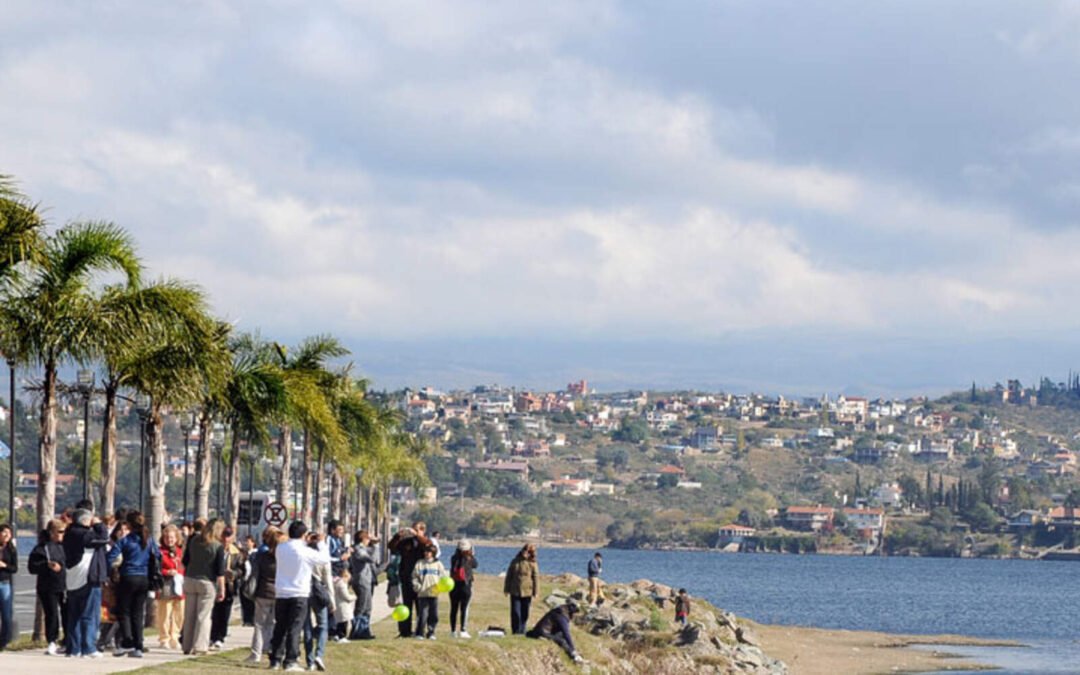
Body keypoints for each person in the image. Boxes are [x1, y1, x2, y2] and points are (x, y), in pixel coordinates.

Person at [269, 521, 330, 672]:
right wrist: (321, 543)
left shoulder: (281, 548)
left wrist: (305, 542)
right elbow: (324, 559)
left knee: (280, 627)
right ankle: (290, 660)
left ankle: (275, 660)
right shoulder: (305, 551)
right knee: (295, 628)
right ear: (304, 535)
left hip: (282, 592)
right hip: (299, 593)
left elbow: (294, 548)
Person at [106, 510, 161, 658]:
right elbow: (158, 555)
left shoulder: (126, 541)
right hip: (143, 579)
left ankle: (127, 642)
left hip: (128, 577)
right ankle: (138, 645)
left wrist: (111, 569)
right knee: (137, 613)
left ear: (129, 525)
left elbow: (110, 557)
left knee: (124, 612)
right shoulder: (148, 540)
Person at [63, 506, 110, 658]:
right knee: (90, 614)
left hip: (72, 578)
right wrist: (98, 525)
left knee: (74, 615)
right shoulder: (84, 534)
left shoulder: (69, 533)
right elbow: (103, 538)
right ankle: (88, 647)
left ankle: (74, 648)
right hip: (87, 577)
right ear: (84, 520)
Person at [180, 519, 226, 655]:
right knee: (203, 616)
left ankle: (186, 645)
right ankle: (199, 646)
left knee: (189, 615)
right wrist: (222, 589)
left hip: (190, 579)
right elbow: (220, 572)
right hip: (207, 582)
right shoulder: (218, 546)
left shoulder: (193, 540)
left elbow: (185, 561)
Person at [247, 527, 285, 664]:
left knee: (259, 624)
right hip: (279, 593)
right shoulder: (284, 559)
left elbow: (255, 574)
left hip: (263, 592)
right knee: (274, 624)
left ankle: (256, 653)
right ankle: (270, 648)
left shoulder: (262, 557)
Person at [29, 519, 67, 655]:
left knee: (67, 613)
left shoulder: (65, 546)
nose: (62, 534)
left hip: (65, 585)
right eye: (60, 532)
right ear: (51, 533)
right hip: (48, 586)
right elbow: (32, 567)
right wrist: (47, 565)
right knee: (51, 614)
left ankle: (67, 640)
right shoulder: (41, 548)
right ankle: (52, 640)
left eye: (64, 532)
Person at [387, 521, 431, 637]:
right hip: (405, 577)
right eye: (413, 529)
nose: (413, 531)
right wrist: (398, 536)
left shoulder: (424, 541)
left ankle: (420, 631)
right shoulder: (406, 541)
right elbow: (391, 547)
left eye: (417, 529)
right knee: (405, 606)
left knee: (420, 607)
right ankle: (404, 631)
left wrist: (418, 535)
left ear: (422, 530)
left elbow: (429, 547)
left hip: (420, 579)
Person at [303, 531, 335, 671]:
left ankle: (309, 661)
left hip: (304, 591)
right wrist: (332, 600)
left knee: (307, 627)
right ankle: (319, 654)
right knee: (323, 624)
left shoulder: (303, 554)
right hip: (318, 591)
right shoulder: (322, 559)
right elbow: (328, 580)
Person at [210, 526, 242, 649]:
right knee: (214, 612)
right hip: (215, 584)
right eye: (224, 536)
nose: (226, 539)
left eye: (228, 536)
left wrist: (233, 574)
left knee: (224, 612)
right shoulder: (215, 549)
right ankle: (212, 636)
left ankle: (220, 636)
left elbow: (241, 569)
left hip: (229, 586)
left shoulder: (237, 553)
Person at [156, 524, 185, 650]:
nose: (170, 540)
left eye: (172, 537)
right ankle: (164, 638)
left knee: (179, 613)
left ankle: (175, 636)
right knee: (165, 613)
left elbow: (185, 566)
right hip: (165, 584)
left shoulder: (181, 551)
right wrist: (167, 572)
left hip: (179, 585)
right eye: (167, 537)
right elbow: (156, 568)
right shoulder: (160, 552)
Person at [347, 528, 379, 640]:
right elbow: (371, 559)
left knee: (368, 607)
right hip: (361, 580)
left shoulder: (364, 548)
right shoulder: (358, 549)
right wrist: (375, 546)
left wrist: (374, 546)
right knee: (361, 606)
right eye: (368, 538)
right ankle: (356, 631)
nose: (369, 541)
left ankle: (364, 630)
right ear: (363, 539)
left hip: (368, 580)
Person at [503, 543, 539, 635]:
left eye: (528, 551)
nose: (525, 553)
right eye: (524, 550)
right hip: (515, 590)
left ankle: (522, 630)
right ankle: (515, 630)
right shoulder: (515, 561)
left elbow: (535, 578)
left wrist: (536, 592)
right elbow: (509, 575)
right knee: (515, 612)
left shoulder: (533, 563)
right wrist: (506, 589)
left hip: (527, 591)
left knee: (525, 612)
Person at [411, 544, 445, 640]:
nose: (426, 553)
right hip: (422, 593)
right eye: (425, 551)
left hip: (434, 593)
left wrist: (441, 586)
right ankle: (420, 633)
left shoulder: (438, 564)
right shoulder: (420, 563)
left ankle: (431, 632)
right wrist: (418, 587)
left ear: (433, 553)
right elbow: (414, 577)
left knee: (433, 614)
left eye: (429, 552)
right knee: (423, 614)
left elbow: (443, 577)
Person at [448, 539, 477, 638]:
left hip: (454, 585)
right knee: (464, 608)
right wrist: (472, 554)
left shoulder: (453, 558)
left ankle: (453, 630)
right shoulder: (469, 558)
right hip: (465, 585)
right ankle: (463, 630)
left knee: (454, 608)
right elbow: (475, 565)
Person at [0, 523, 17, 651]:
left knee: (6, 614)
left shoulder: (11, 549)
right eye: (4, 532)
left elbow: (14, 568)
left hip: (5, 583)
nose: (6, 535)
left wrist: (4, 565)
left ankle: (4, 640)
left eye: (9, 533)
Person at [333, 568, 356, 642]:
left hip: (338, 604)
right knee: (344, 622)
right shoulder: (342, 584)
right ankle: (342, 637)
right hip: (343, 605)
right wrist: (353, 597)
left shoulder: (336, 582)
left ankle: (337, 635)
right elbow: (346, 596)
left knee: (340, 622)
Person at [239, 534, 258, 626]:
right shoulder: (244, 553)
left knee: (251, 601)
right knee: (244, 601)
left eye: (248, 541)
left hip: (252, 579)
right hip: (244, 580)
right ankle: (246, 619)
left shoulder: (255, 553)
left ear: (253, 543)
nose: (246, 543)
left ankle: (252, 619)